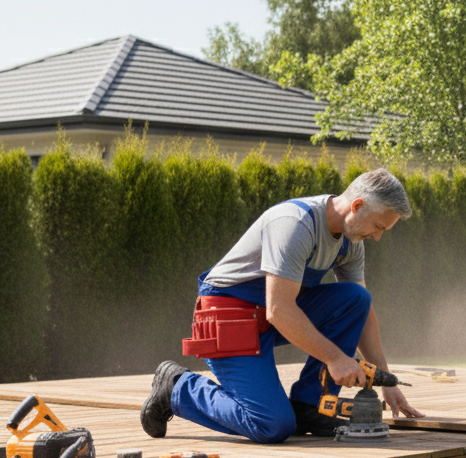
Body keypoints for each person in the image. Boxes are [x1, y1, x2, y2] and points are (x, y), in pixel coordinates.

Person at [140, 167, 423, 443]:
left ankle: (309, 407)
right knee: (271, 425)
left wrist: (388, 382)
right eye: (378, 226)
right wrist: (336, 359)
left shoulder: (351, 243)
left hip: (270, 317)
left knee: (356, 298)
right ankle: (178, 387)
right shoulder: (296, 224)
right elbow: (279, 310)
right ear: (357, 206)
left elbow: (362, 313)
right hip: (228, 317)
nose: (377, 237)